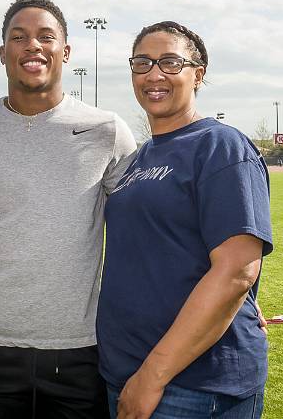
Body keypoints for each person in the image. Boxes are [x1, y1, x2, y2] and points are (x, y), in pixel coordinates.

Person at [0, 0, 137, 418]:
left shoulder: (107, 130)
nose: (32, 45)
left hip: (79, 351)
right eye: (19, 37)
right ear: (2, 53)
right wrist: (15, 231)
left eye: (45, 36)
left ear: (65, 51)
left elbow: (139, 224)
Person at [97, 21, 273, 419]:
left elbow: (236, 272)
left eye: (171, 62)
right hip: (125, 373)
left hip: (192, 386)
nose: (154, 74)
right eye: (142, 63)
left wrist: (152, 377)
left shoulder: (220, 146)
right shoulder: (139, 157)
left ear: (198, 74)